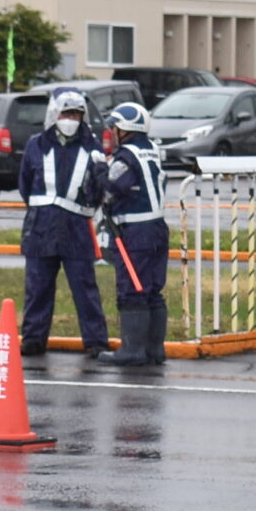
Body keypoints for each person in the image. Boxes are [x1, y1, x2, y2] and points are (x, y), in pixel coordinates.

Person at [15, 87, 111, 360]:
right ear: (54, 114)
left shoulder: (92, 146)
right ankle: (33, 339)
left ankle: (96, 342)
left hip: (77, 228)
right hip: (40, 227)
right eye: (66, 112)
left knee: (85, 288)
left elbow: (98, 190)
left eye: (77, 114)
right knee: (37, 287)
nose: (71, 118)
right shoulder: (36, 144)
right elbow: (25, 186)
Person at [97, 100, 170, 369]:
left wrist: (99, 171)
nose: (111, 132)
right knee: (153, 289)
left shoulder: (126, 156)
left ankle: (133, 350)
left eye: (114, 127)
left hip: (135, 232)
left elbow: (114, 184)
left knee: (132, 289)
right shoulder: (153, 150)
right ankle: (154, 349)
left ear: (125, 129)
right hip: (158, 228)